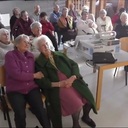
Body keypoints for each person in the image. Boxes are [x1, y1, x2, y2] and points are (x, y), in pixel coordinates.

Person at [35, 35, 97, 128]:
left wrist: (73, 77)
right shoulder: (39, 63)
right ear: (38, 49)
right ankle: (76, 125)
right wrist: (61, 84)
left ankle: (85, 117)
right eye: (43, 45)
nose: (46, 46)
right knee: (76, 104)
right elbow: (43, 82)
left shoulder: (59, 54)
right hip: (58, 87)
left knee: (88, 98)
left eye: (47, 44)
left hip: (73, 80)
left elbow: (74, 64)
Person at [4, 34, 51, 128]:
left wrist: (48, 52)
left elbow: (42, 54)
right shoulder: (10, 55)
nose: (27, 44)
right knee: (20, 114)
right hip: (15, 90)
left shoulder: (30, 55)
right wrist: (34, 75)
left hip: (31, 88)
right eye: (24, 42)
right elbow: (16, 74)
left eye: (28, 42)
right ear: (16, 44)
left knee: (41, 110)